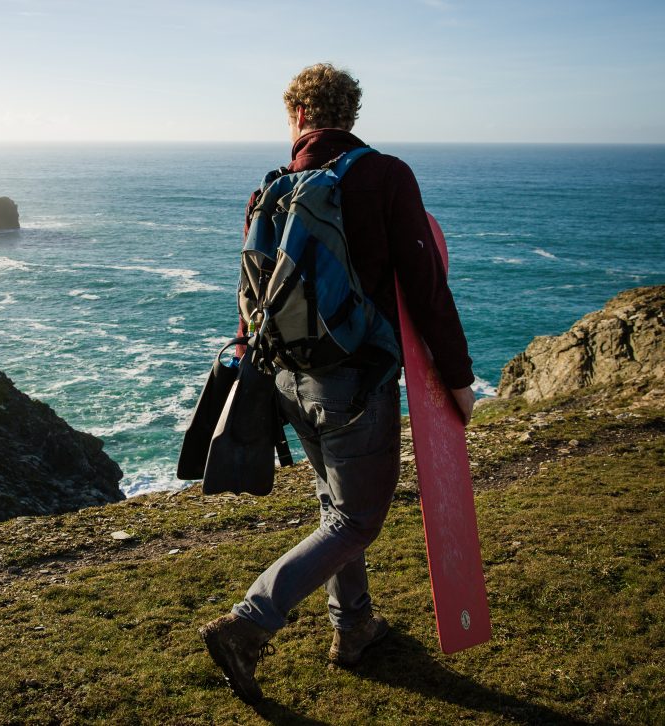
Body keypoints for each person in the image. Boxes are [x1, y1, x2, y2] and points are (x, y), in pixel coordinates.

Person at [199, 63, 476, 703]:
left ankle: (353, 629)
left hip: (287, 380)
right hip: (354, 383)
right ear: (350, 115)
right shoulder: (384, 176)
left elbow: (251, 297)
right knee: (356, 519)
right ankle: (248, 622)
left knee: (335, 509)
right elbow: (427, 284)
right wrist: (457, 378)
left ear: (296, 116)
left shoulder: (270, 190)